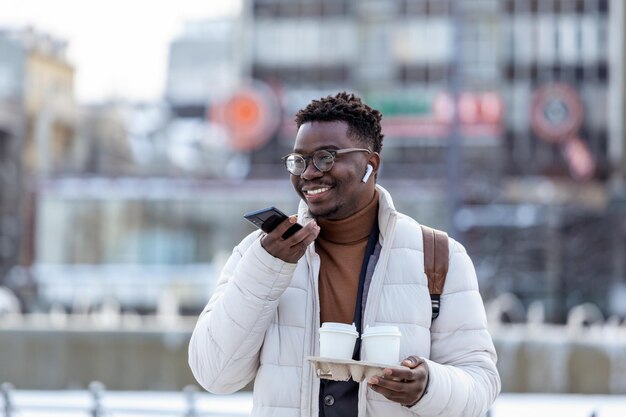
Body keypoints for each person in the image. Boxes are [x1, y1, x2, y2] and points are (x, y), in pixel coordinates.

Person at [189, 92, 501, 417]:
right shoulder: (261, 253)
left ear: (370, 164)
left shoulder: (438, 256)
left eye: (325, 157)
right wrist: (267, 267)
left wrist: (429, 386)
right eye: (299, 161)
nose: (308, 173)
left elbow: (481, 382)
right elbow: (215, 375)